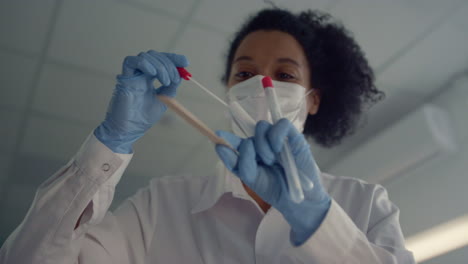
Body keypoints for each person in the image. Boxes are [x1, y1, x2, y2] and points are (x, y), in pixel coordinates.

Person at [0, 8, 415, 263]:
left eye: (284, 74)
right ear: (230, 91)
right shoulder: (162, 206)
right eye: (245, 73)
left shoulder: (366, 206)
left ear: (313, 100)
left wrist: (317, 220)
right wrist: (110, 143)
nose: (262, 86)